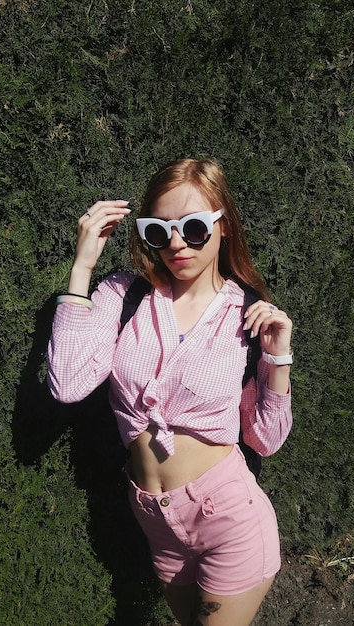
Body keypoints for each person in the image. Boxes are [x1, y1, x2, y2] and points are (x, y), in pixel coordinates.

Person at [47, 158, 293, 625]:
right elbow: (67, 381)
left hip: (228, 517)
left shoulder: (247, 315)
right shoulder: (125, 295)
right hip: (155, 517)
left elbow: (265, 439)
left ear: (225, 228)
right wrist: (83, 266)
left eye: (195, 228)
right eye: (159, 232)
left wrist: (278, 358)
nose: (177, 244)